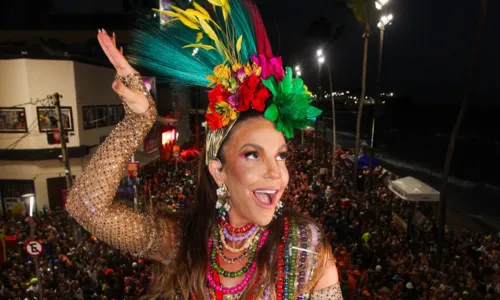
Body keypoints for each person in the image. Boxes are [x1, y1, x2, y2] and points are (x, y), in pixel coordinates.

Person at [66, 1, 342, 299]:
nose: (276, 173)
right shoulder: (183, 239)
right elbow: (85, 208)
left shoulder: (307, 253)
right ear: (218, 171)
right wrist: (137, 121)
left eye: (281, 155)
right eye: (253, 154)